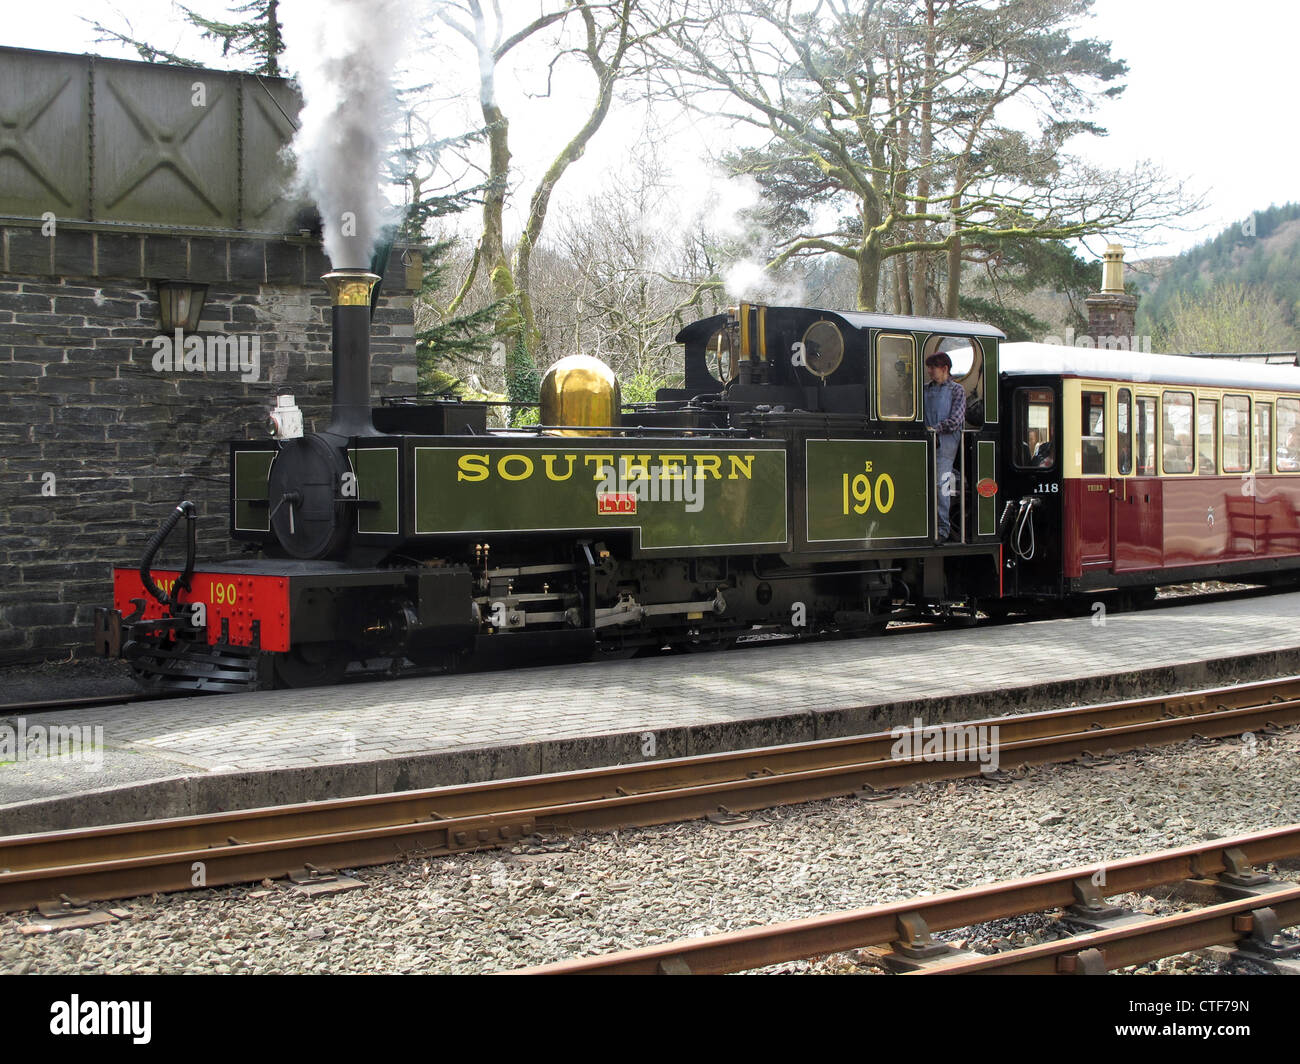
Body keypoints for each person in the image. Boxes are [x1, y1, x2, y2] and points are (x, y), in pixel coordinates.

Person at [924, 351, 966, 541]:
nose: (930, 372)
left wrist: (935, 428)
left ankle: (942, 529)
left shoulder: (957, 390)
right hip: (926, 441)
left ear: (945, 369)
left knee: (940, 483)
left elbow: (956, 420)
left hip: (946, 442)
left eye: (933, 368)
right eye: (929, 368)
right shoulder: (925, 389)